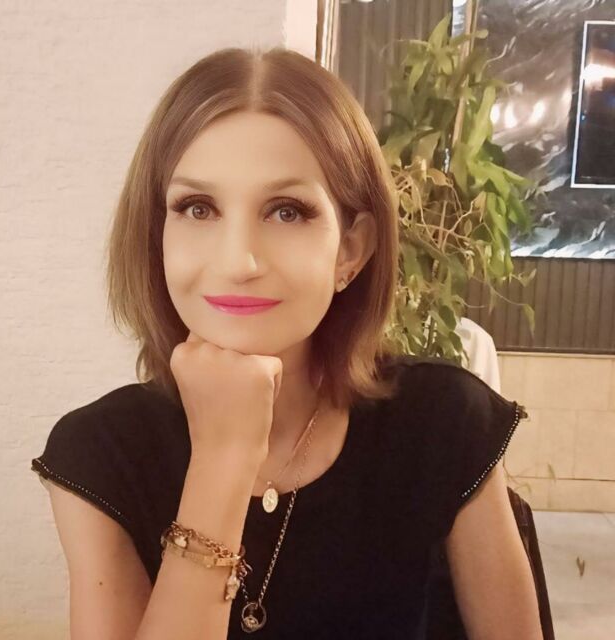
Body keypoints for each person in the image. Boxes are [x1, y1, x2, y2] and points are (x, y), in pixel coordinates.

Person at [30, 46, 543, 640]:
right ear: (157, 235)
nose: (238, 261)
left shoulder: (445, 423)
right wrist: (223, 457)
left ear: (351, 249)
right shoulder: (100, 453)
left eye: (286, 212)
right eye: (198, 207)